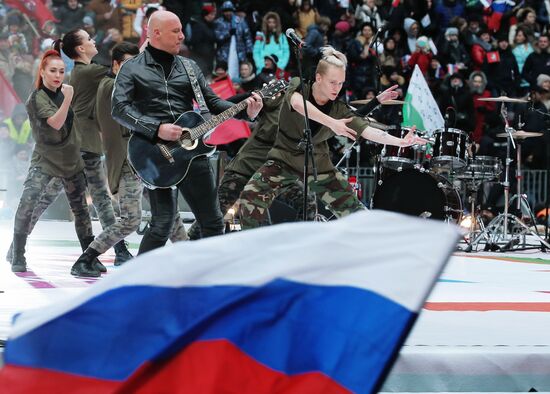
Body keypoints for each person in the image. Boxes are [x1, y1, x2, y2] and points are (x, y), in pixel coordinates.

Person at [111, 10, 263, 253]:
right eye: (176, 31)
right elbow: (118, 109)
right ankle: (141, 279)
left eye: (181, 30)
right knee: (162, 224)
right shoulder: (131, 68)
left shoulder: (189, 67)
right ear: (156, 33)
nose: (182, 36)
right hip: (153, 154)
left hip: (192, 153)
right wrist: (156, 128)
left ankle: (203, 281)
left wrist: (248, 112)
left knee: (213, 223)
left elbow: (213, 103)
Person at [237, 46, 427, 229]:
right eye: (332, 82)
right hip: (282, 159)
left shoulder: (339, 109)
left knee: (355, 212)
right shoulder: (298, 85)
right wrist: (332, 123)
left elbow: (368, 130)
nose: (337, 88)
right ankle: (258, 249)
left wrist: (400, 142)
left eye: (341, 83)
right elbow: (297, 104)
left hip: (318, 166)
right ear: (319, 78)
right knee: (249, 200)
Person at [9, 50, 96, 276]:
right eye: (53, 71)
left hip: (71, 159)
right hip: (46, 158)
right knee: (29, 201)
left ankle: (88, 257)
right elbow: (56, 123)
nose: (58, 75)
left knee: (81, 211)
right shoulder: (38, 97)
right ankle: (18, 252)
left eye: (61, 71)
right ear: (43, 72)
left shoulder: (67, 92)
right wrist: (68, 98)